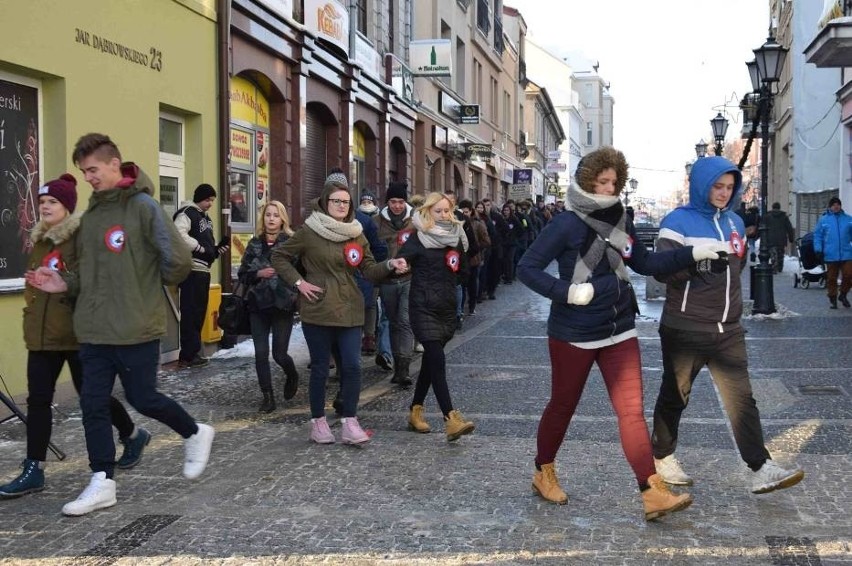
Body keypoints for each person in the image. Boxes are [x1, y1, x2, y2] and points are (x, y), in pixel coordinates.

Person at [517, 146, 720, 520]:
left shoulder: (620, 221)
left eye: (615, 182)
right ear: (587, 181)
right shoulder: (565, 223)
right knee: (563, 406)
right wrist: (567, 292)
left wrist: (692, 253)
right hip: (573, 332)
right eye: (603, 182)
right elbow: (526, 268)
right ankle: (543, 471)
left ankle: (651, 491)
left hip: (619, 329)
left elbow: (645, 263)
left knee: (631, 413)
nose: (610, 189)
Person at [26, 133, 215, 516]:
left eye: (93, 170)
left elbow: (177, 261)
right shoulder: (93, 215)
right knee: (93, 404)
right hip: (93, 330)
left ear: (115, 164)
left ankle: (195, 432)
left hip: (134, 327)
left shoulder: (143, 207)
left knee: (142, 398)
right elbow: (88, 274)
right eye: (84, 172)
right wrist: (64, 282)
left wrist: (139, 288)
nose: (89, 178)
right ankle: (102, 481)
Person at [650, 155, 805, 496]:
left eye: (730, 187)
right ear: (703, 185)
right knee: (676, 395)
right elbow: (661, 270)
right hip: (686, 326)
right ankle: (662, 456)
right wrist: (697, 265)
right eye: (717, 186)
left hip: (728, 328)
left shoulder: (735, 221)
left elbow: (738, 267)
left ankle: (760, 467)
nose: (723, 193)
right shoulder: (678, 222)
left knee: (742, 400)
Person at [0, 174, 150, 499]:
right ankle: (33, 469)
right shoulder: (40, 240)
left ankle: (131, 433)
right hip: (41, 335)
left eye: (52, 201)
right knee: (38, 401)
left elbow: (93, 279)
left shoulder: (81, 237)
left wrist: (62, 281)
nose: (45, 207)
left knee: (91, 397)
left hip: (80, 334)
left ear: (67, 206)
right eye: (41, 202)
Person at [270, 169, 407, 445]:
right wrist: (300, 283)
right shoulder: (309, 231)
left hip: (350, 307)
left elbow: (368, 269)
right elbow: (279, 256)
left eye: (346, 202)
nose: (342, 206)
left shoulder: (356, 233)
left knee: (353, 366)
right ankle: (318, 422)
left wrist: (390, 265)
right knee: (321, 367)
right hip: (318, 307)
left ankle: (350, 421)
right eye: (336, 201)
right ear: (325, 202)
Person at [397, 192, 475, 441]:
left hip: (446, 308)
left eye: (447, 211)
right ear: (428, 211)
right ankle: (450, 418)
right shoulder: (417, 238)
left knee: (432, 362)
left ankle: (415, 411)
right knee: (437, 360)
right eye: (438, 211)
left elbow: (464, 271)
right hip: (422, 307)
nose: (444, 215)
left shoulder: (456, 238)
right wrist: (400, 266)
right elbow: (401, 260)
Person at [237, 200, 300, 413]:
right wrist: (258, 274)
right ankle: (268, 396)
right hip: (258, 305)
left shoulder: (291, 243)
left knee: (279, 354)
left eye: (275, 215)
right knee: (261, 353)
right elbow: (242, 275)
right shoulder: (254, 244)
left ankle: (292, 374)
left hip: (282, 304)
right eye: (268, 215)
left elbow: (301, 273)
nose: (271, 219)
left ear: (283, 219)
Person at [173, 183, 229, 368]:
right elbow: (178, 234)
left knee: (199, 314)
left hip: (203, 271)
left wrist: (216, 250)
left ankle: (193, 353)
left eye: (212, 200)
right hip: (192, 270)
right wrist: (199, 247)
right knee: (190, 313)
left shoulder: (205, 218)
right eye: (207, 200)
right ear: (199, 198)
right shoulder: (187, 213)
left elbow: (208, 250)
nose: (210, 204)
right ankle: (187, 356)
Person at [374, 181, 416, 387]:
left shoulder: (416, 221)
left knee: (405, 321)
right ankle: (397, 364)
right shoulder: (376, 222)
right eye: (393, 201)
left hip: (410, 279)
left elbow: (423, 248)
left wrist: (411, 266)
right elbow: (371, 252)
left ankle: (404, 369)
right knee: (392, 322)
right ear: (387, 202)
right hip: (388, 280)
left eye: (400, 201)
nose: (397, 206)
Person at [813, 196, 852, 308]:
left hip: (847, 253)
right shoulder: (824, 220)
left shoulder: (848, 219)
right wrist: (818, 249)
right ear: (830, 207)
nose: (836, 206)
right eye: (834, 205)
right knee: (831, 278)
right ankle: (833, 297)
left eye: (838, 204)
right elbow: (818, 235)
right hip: (830, 254)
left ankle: (843, 294)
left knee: (849, 275)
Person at [458, 199, 490, 316]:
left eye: (466, 212)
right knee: (461, 286)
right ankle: (460, 309)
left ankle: (472, 306)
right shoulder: (456, 223)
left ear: (471, 211)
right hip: (460, 261)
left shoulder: (478, 223)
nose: (464, 214)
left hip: (473, 260)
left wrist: (474, 248)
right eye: (462, 211)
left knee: (472, 284)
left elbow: (486, 241)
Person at [763, 202, 795, 273]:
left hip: (771, 238)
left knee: (773, 253)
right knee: (781, 254)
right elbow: (789, 228)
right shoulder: (784, 216)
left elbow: (763, 228)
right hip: (781, 239)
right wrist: (791, 238)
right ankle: (780, 267)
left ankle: (774, 267)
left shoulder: (767, 216)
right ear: (779, 207)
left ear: (772, 207)